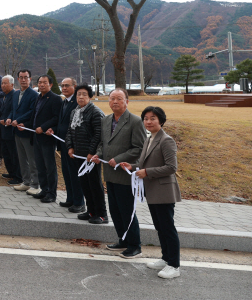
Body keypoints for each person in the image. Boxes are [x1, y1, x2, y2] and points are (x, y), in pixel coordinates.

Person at [120, 106, 182, 279]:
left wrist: (147, 172)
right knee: (159, 227)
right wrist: (133, 167)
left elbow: (171, 167)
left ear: (161, 120)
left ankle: (175, 265)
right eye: (146, 118)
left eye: (153, 118)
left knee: (167, 228)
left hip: (164, 191)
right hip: (153, 191)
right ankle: (165, 258)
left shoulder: (166, 140)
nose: (148, 121)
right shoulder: (149, 139)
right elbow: (146, 163)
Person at [92, 88, 146, 259]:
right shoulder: (106, 120)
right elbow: (102, 143)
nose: (115, 101)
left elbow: (139, 148)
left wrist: (119, 158)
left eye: (119, 99)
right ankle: (122, 239)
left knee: (127, 210)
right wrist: (98, 155)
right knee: (115, 209)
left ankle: (134, 246)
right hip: (109, 172)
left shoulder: (135, 121)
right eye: (112, 98)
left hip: (125, 173)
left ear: (127, 102)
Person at [65, 83, 106, 223]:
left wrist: (91, 152)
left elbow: (98, 134)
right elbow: (70, 131)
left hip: (91, 156)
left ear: (90, 96)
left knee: (95, 185)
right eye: (78, 94)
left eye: (84, 94)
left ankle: (101, 214)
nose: (81, 97)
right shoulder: (74, 111)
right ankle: (91, 211)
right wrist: (70, 147)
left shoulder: (95, 112)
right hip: (78, 155)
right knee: (85, 185)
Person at [47, 78, 84, 212]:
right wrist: (54, 130)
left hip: (73, 146)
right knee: (67, 173)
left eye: (67, 86)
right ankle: (71, 199)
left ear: (75, 86)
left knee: (75, 174)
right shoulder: (65, 102)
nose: (64, 88)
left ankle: (79, 202)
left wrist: (72, 145)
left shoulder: (77, 103)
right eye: (62, 86)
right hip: (63, 143)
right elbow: (61, 123)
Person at [29, 75, 62, 203]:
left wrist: (43, 127)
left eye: (45, 82)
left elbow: (56, 117)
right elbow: (35, 116)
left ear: (51, 84)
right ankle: (44, 190)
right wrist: (25, 125)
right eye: (40, 82)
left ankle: (52, 193)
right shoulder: (39, 98)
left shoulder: (55, 99)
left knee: (50, 167)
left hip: (47, 138)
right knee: (40, 166)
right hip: (36, 137)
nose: (42, 85)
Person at [6, 69, 40, 194]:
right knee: (22, 159)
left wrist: (20, 121)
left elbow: (32, 112)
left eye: (26, 77)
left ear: (30, 79)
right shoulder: (15, 94)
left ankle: (35, 184)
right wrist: (10, 117)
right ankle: (26, 182)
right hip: (16, 131)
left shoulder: (34, 95)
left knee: (32, 160)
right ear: (18, 79)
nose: (23, 80)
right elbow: (13, 110)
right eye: (21, 77)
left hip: (27, 131)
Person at [0, 75, 21, 184]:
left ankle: (18, 176)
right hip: (3, 129)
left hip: (10, 130)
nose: (3, 85)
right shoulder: (6, 96)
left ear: (12, 85)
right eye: (2, 83)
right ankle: (11, 173)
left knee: (14, 154)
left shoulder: (14, 95)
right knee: (6, 153)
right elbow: (4, 111)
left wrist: (8, 119)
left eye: (5, 83)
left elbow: (14, 111)